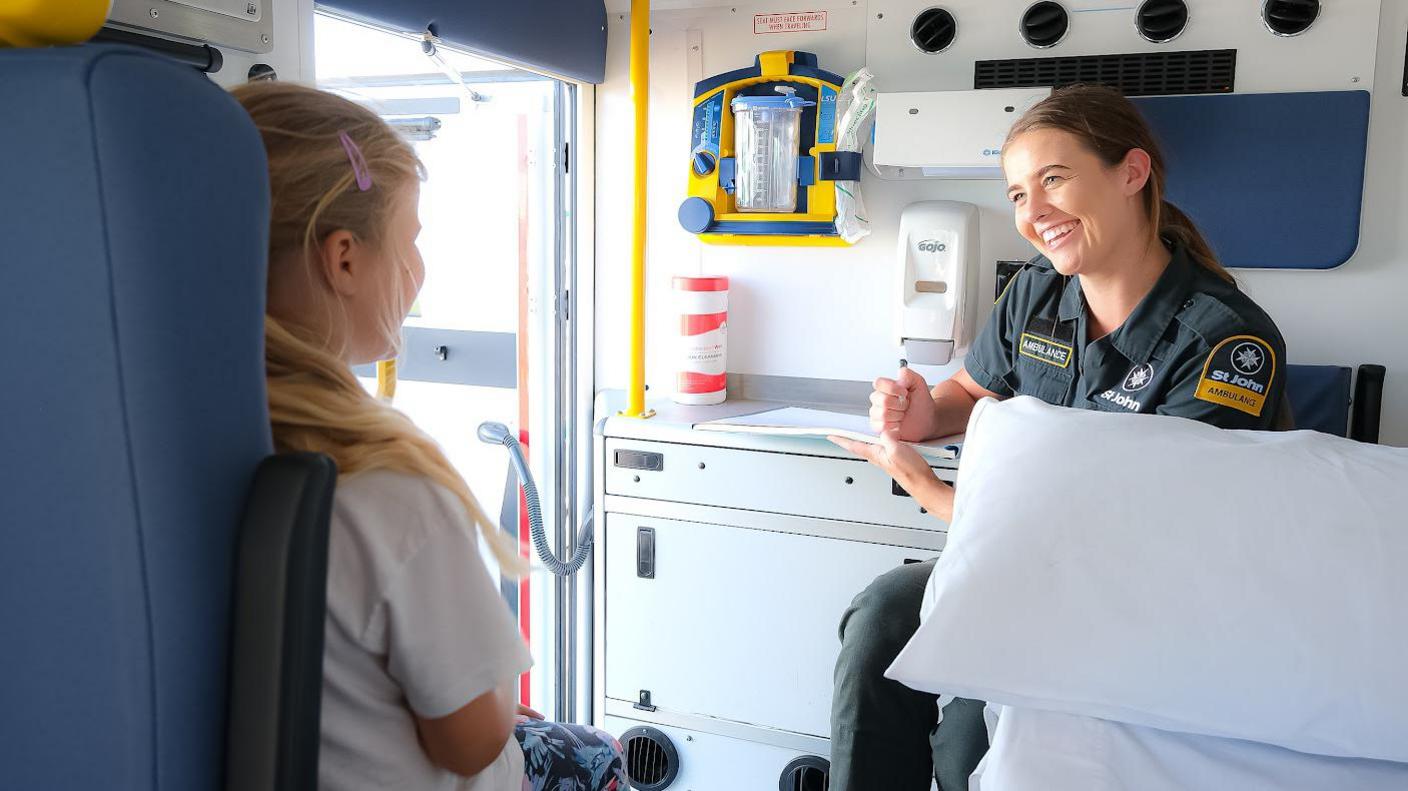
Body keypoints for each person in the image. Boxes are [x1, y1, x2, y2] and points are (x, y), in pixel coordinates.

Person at [826, 84, 1292, 791]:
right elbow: (973, 392)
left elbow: (1148, 535)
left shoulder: (1227, 342)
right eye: (1018, 193)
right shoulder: (1039, 292)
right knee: (878, 622)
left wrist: (935, 493)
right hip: (1025, 571)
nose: (1032, 213)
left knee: (969, 749)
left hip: (1141, 599)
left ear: (1132, 173)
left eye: (1053, 179)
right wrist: (925, 414)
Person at [230, 81, 627, 791]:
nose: (418, 268)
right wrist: (500, 697)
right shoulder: (386, 480)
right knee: (599, 756)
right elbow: (471, 739)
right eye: (410, 239)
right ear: (344, 257)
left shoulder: (202, 435)